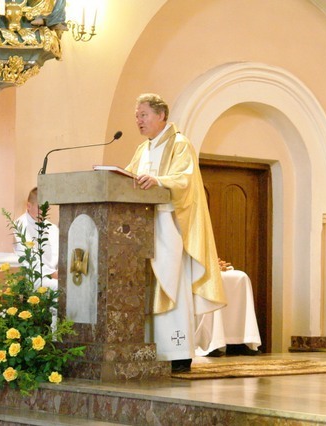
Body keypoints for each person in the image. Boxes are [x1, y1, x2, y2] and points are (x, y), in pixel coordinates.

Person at [125, 93, 226, 373]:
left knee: (172, 285)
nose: (139, 121)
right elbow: (128, 178)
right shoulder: (142, 150)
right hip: (144, 228)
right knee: (149, 289)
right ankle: (150, 349)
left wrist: (158, 180)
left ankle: (177, 352)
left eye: (143, 115)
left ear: (161, 116)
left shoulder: (180, 144)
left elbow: (185, 180)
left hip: (169, 226)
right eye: (137, 116)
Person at [14, 187, 59, 290]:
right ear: (28, 205)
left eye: (46, 208)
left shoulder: (52, 228)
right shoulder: (20, 226)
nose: (44, 212)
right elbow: (29, 258)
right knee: (60, 286)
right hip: (34, 276)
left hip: (55, 274)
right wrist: (52, 274)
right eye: (40, 208)